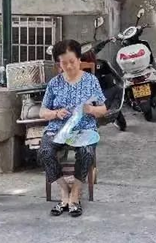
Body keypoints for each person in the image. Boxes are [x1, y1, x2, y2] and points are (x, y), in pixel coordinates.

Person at [38, 40, 107, 217]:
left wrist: (90, 109)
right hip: (58, 129)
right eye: (64, 63)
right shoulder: (54, 83)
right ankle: (64, 190)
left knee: (86, 152)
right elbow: (42, 111)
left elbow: (103, 109)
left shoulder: (91, 81)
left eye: (72, 61)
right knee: (45, 151)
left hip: (84, 128)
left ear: (79, 59)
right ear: (58, 63)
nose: (68, 66)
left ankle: (75, 193)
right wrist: (55, 113)